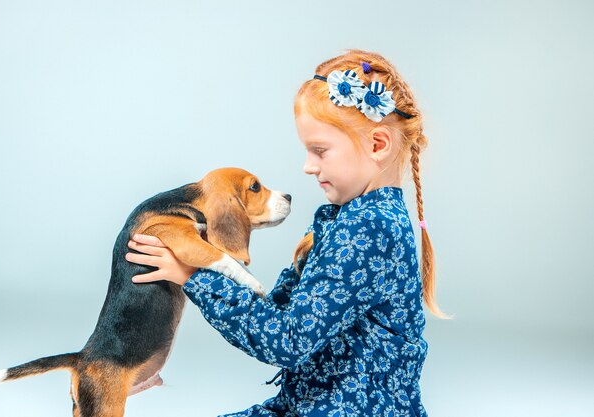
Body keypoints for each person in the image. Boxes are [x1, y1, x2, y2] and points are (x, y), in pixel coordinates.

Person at [125, 49, 449, 417]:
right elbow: (279, 313)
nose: (308, 166)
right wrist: (204, 260)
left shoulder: (370, 228)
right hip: (313, 405)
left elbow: (287, 340)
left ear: (378, 145)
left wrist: (194, 277)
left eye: (320, 150)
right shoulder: (344, 220)